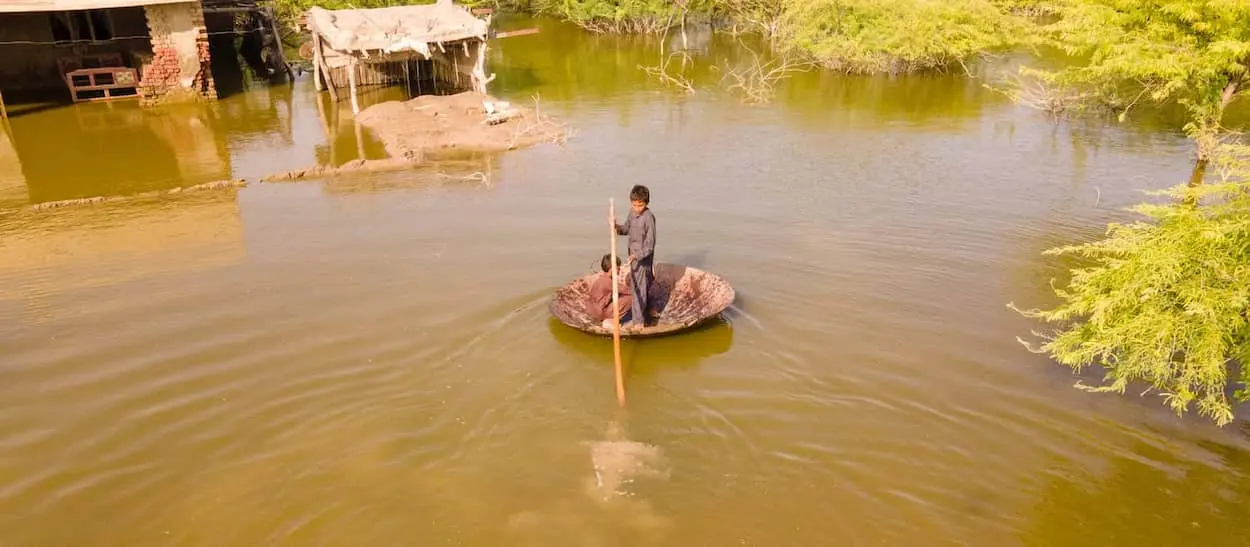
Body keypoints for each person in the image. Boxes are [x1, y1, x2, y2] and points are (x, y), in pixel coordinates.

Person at [612, 184, 656, 329]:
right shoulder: (632, 213)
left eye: (640, 205)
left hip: (642, 259)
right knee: (643, 284)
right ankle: (648, 310)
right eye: (634, 205)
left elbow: (650, 246)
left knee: (639, 289)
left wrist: (636, 256)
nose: (637, 208)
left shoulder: (649, 218)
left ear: (646, 203)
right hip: (633, 257)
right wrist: (615, 227)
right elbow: (626, 229)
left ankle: (638, 322)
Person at [587, 253, 633, 329]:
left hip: (593, 311)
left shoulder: (600, 279)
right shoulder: (609, 282)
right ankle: (616, 319)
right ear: (612, 269)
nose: (620, 269)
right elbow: (628, 291)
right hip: (601, 314)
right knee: (632, 297)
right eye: (618, 268)